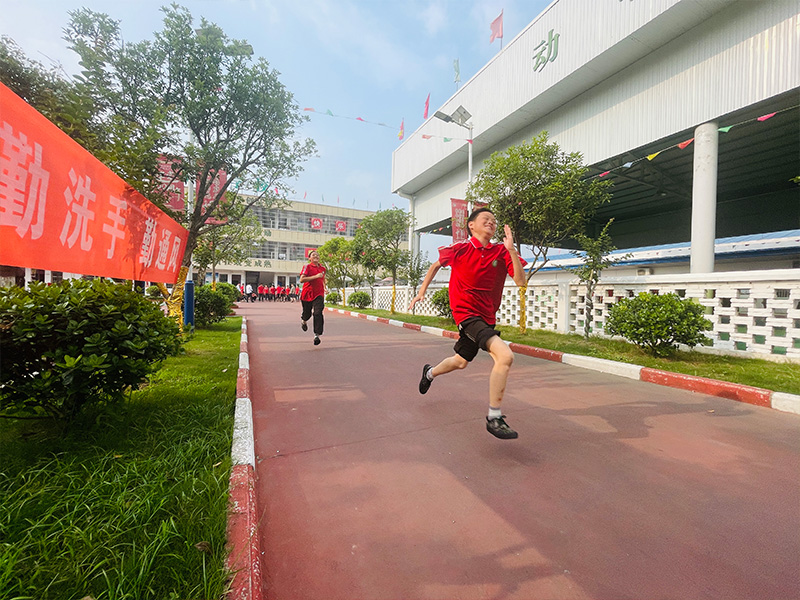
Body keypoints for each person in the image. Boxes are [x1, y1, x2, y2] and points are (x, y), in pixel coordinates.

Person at [408, 207, 527, 440]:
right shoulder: (460, 248)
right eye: (486, 219)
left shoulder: (502, 252)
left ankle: (429, 373)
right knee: (505, 356)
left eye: (494, 220)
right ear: (471, 225)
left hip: (487, 316)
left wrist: (511, 250)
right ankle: (494, 417)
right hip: (465, 313)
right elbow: (435, 266)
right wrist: (421, 292)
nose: (491, 223)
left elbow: (521, 281)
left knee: (461, 361)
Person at [299, 250, 327, 345]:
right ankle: (304, 320)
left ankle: (317, 335)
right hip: (307, 294)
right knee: (307, 313)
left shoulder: (323, 268)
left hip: (319, 294)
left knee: (318, 313)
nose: (316, 256)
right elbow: (302, 279)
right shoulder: (307, 267)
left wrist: (325, 288)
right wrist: (315, 276)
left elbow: (323, 279)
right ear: (309, 258)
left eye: (317, 255)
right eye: (313, 255)